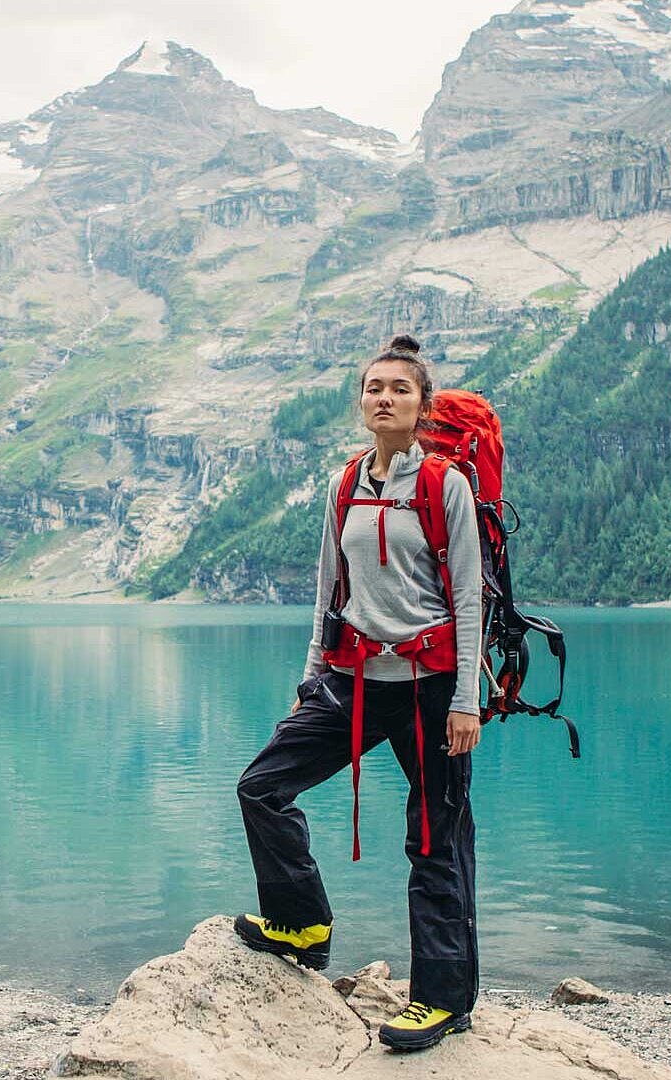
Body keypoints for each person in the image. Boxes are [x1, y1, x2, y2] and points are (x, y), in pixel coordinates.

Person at [234, 333, 483, 1053]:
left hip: (431, 688)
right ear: (361, 402)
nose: (384, 398)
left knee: (435, 839)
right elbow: (328, 590)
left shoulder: (444, 485)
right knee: (262, 786)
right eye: (374, 387)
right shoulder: (346, 484)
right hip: (354, 680)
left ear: (422, 405)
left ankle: (442, 1001)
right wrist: (312, 675)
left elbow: (468, 599)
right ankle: (301, 923)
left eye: (400, 389)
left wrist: (466, 699)